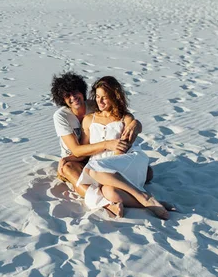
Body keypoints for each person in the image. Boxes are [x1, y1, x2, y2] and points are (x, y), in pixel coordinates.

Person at [51, 72, 154, 217]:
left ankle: (119, 193)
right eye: (67, 96)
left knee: (147, 172)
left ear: (82, 91)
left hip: (102, 156)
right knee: (71, 170)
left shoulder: (95, 105)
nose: (73, 98)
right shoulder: (61, 116)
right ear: (62, 99)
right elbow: (76, 150)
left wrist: (136, 124)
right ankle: (106, 204)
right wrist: (107, 144)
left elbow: (122, 116)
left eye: (75, 92)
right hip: (75, 157)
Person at [75, 76, 173, 219]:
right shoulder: (89, 120)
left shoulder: (124, 118)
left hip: (122, 161)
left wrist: (136, 124)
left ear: (115, 97)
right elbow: (85, 148)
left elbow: (132, 133)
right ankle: (148, 202)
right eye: (97, 96)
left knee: (92, 170)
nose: (100, 101)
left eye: (104, 97)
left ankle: (144, 197)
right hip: (100, 167)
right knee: (109, 192)